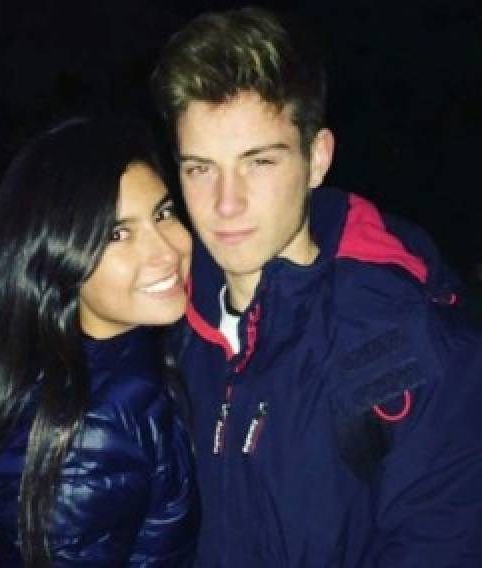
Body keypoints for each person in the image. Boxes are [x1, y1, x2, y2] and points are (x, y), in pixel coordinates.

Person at [152, 7, 482, 565]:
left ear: (317, 158)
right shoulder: (168, 329)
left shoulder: (398, 341)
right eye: (201, 168)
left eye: (259, 162)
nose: (226, 203)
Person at [0, 117, 198, 567]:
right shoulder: (89, 437)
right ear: (58, 258)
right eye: (117, 234)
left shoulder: (101, 361)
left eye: (163, 214)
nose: (167, 251)